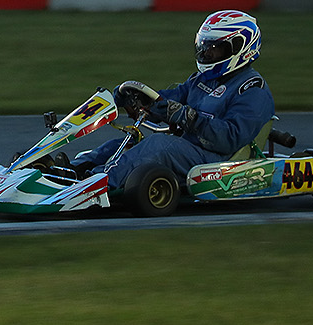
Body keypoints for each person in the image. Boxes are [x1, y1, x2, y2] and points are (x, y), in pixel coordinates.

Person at [73, 10, 275, 195]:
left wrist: (189, 118)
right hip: (188, 147)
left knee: (158, 144)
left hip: (218, 158)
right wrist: (139, 100)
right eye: (204, 46)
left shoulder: (252, 90)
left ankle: (92, 186)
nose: (206, 53)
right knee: (126, 143)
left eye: (215, 48)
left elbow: (230, 138)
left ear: (239, 48)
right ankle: (71, 171)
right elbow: (169, 101)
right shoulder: (203, 79)